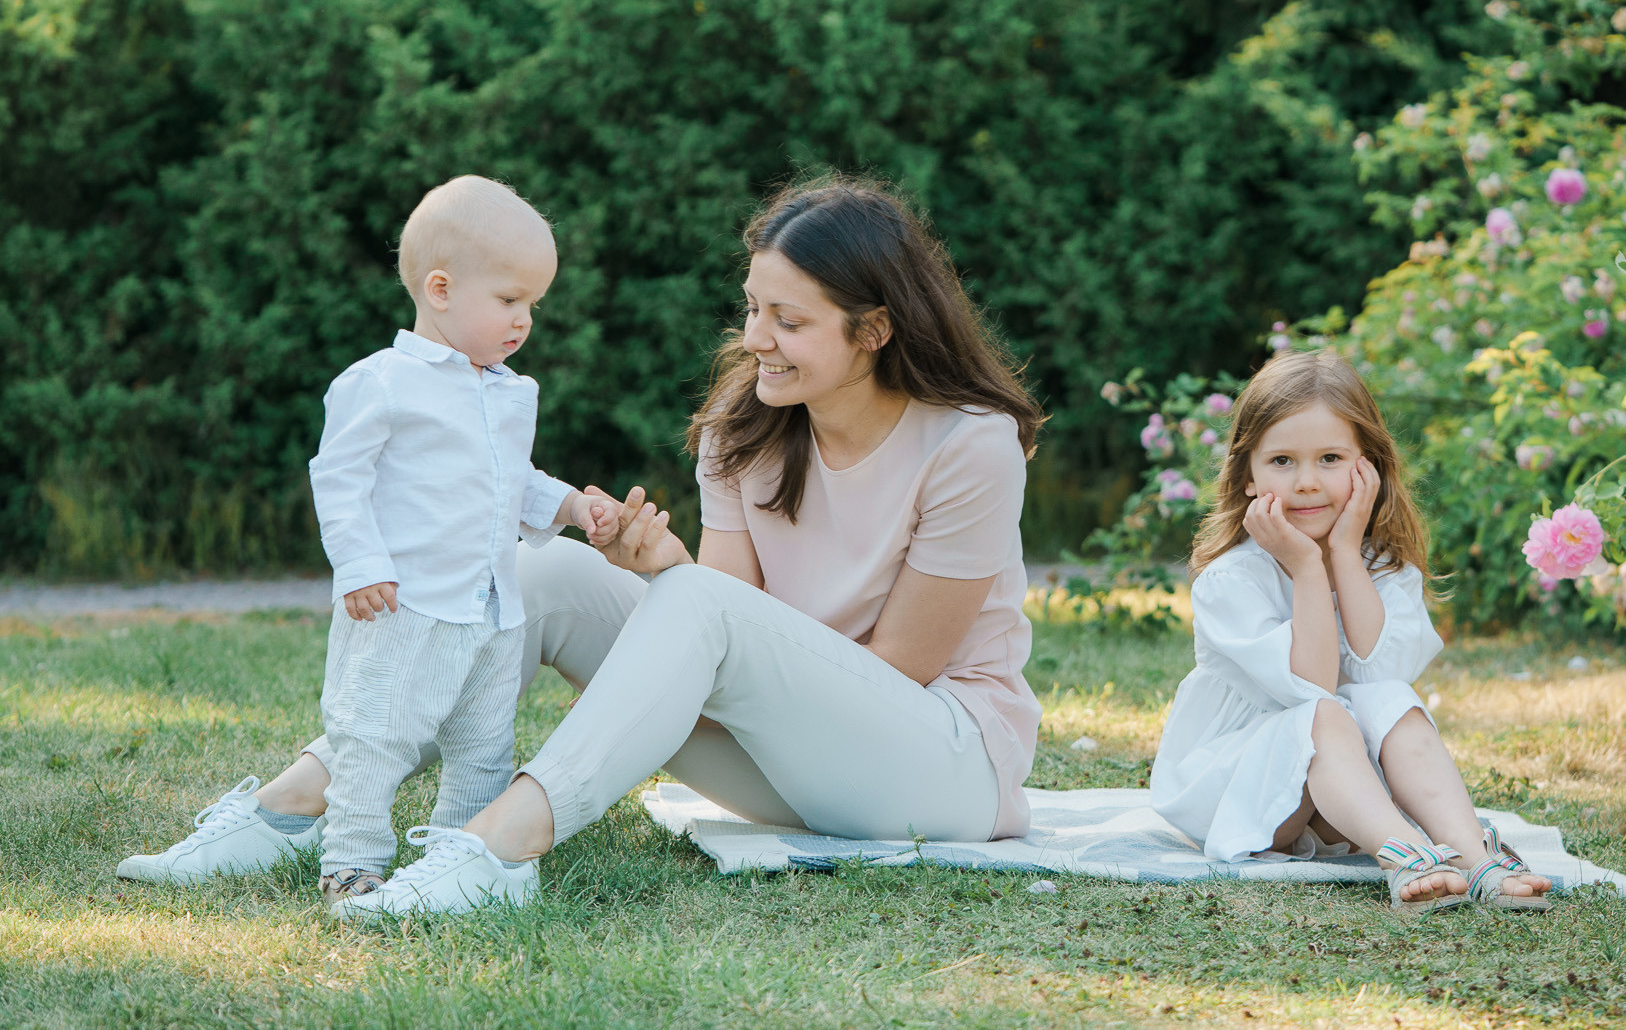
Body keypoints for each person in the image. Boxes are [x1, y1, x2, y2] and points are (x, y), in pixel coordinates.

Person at [150, 176, 1046, 918]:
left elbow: (895, 669)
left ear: (876, 329)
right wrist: (663, 576)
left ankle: (499, 849)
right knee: (540, 572)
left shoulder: (970, 443)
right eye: (751, 308)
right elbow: (734, 651)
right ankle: (293, 806)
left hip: (936, 770)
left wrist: (684, 601)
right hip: (790, 761)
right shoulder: (744, 430)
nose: (754, 339)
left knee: (687, 603)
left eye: (789, 320)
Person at [116, 176, 620, 908]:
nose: (524, 321)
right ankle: (351, 859)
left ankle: (453, 854)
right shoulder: (381, 383)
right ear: (441, 289)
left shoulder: (510, 391)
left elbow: (516, 481)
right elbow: (340, 476)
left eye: (533, 305)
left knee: (483, 745)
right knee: (374, 738)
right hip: (401, 603)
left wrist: (573, 504)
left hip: (491, 607)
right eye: (511, 300)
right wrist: (360, 563)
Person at [1150, 349, 1553, 915]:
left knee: (1387, 698)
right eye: (1283, 461)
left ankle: (1470, 856)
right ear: (1247, 476)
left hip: (1340, 787)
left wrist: (1342, 551)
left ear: (1368, 467)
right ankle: (1406, 855)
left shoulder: (1379, 566)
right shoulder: (1231, 581)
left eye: (1331, 458)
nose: (1308, 483)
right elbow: (1311, 689)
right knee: (1325, 714)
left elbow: (1382, 677)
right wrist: (1308, 568)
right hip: (1237, 785)